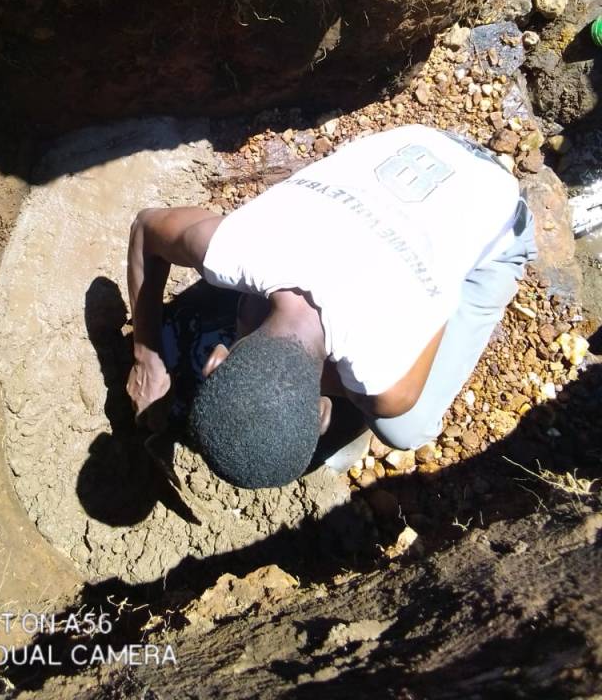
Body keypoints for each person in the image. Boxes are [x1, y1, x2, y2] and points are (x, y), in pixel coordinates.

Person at [126, 124, 536, 489]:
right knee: (252, 314)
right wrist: (146, 356)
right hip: (416, 143)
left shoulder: (392, 388)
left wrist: (438, 269)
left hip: (491, 203)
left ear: (325, 412)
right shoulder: (229, 247)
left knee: (406, 431)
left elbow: (439, 311)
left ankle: (477, 258)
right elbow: (146, 226)